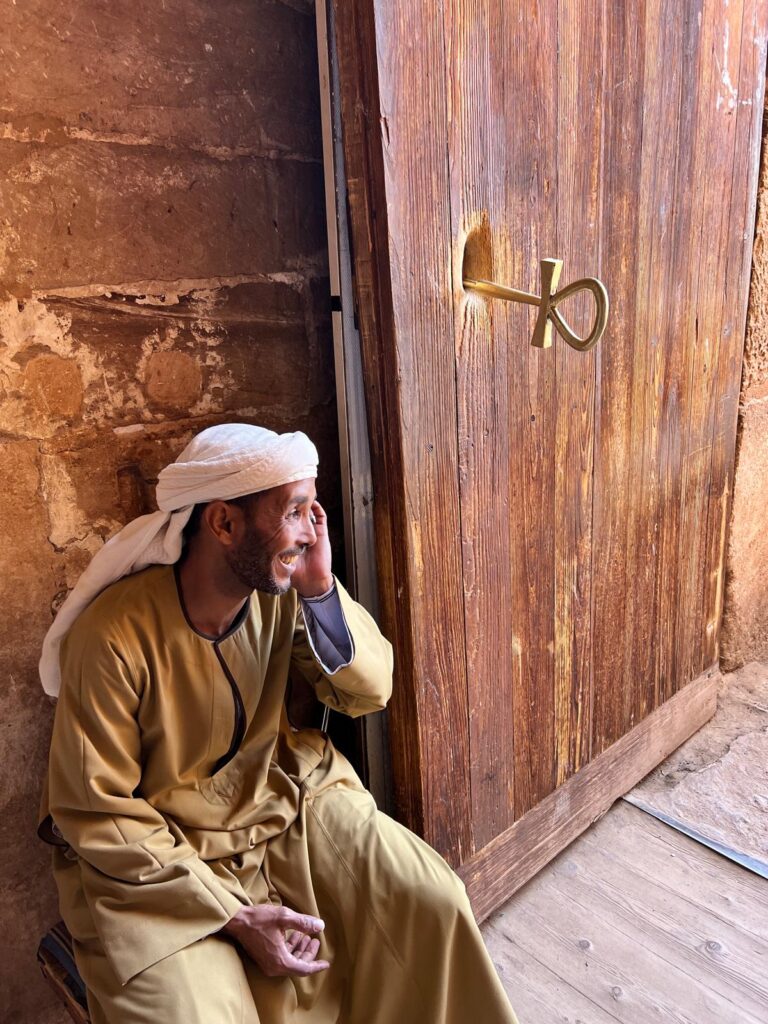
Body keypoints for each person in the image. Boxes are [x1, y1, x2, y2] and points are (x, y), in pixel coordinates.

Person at [39, 423, 520, 1024]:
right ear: (223, 523)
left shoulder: (281, 595)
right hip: (159, 858)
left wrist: (320, 589)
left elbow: (368, 693)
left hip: (282, 795)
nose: (312, 530)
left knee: (431, 900)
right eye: (295, 511)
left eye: (313, 509)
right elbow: (96, 809)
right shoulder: (111, 636)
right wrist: (234, 916)